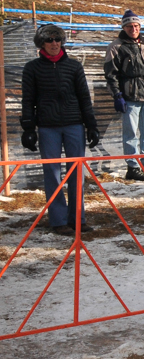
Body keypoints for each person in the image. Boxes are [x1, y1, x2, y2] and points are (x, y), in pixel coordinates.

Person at [21, 24, 100, 235]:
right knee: (53, 174)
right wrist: (28, 128)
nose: (54, 44)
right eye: (49, 40)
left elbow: (84, 97)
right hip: (48, 127)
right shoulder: (32, 68)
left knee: (76, 172)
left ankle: (78, 218)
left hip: (74, 124)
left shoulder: (74, 67)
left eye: (58, 40)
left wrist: (91, 125)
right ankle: (58, 220)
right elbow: (28, 99)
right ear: (42, 44)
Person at [103, 10, 144, 180]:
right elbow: (110, 74)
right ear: (124, 27)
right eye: (129, 26)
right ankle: (133, 166)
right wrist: (117, 95)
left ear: (140, 26)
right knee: (130, 133)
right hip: (130, 96)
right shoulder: (116, 46)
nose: (133, 29)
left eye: (136, 26)